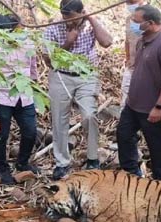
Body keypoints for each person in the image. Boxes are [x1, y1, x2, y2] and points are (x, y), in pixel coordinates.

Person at [44, 0, 113, 180]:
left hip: (86, 76)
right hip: (60, 75)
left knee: (89, 115)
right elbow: (49, 61)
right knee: (59, 119)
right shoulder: (53, 27)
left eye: (72, 17)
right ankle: (62, 162)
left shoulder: (91, 25)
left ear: (82, 12)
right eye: (64, 16)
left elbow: (106, 42)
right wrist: (68, 43)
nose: (67, 21)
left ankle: (92, 158)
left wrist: (90, 18)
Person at [117, 5, 161, 181]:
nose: (133, 25)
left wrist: (159, 106)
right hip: (133, 104)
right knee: (123, 135)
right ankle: (131, 173)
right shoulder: (142, 40)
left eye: (136, 22)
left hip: (152, 107)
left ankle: (160, 182)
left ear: (151, 23)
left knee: (156, 145)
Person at [0, 12, 39, 185]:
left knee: (30, 131)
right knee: (1, 135)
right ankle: (2, 169)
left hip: (24, 95)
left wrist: (34, 84)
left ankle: (22, 162)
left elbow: (32, 64)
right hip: (2, 95)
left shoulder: (27, 41)